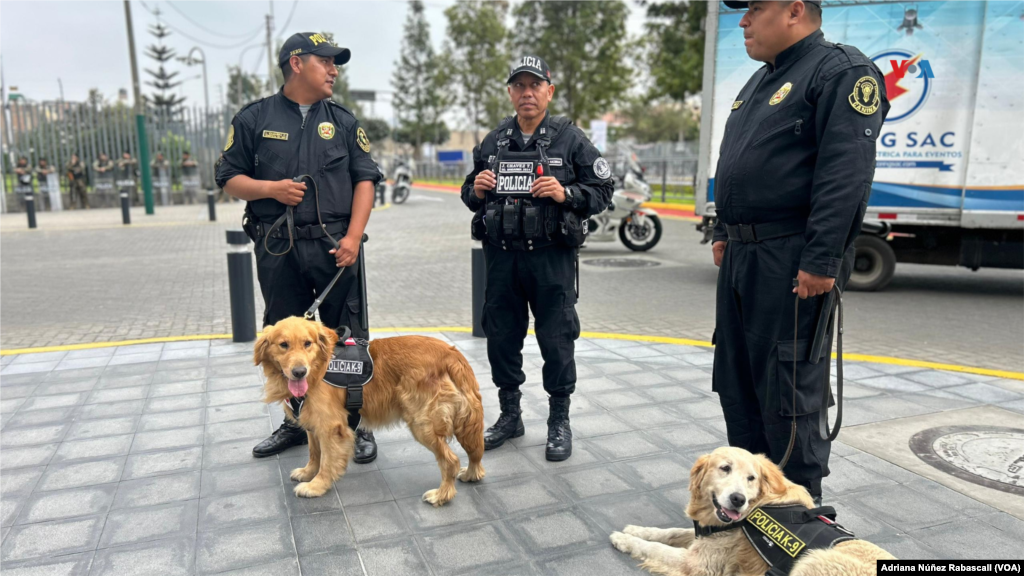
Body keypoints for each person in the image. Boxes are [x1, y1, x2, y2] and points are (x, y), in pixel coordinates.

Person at [710, 0, 889, 505]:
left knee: (787, 388)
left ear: (793, 10)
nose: (743, 21)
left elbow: (845, 172)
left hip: (790, 260)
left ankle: (799, 507)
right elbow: (739, 165)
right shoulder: (760, 82)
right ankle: (749, 501)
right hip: (745, 258)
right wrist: (725, 228)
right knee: (738, 379)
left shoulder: (840, 71)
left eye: (754, 8)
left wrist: (822, 258)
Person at [216, 32, 382, 461]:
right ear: (296, 63)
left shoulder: (343, 121)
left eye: (335, 63)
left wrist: (352, 238)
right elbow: (229, 178)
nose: (333, 70)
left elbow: (366, 180)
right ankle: (295, 424)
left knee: (348, 339)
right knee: (284, 342)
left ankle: (354, 424)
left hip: (336, 249)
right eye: (326, 61)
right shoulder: (254, 118)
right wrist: (270, 188)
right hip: (279, 250)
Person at [460, 55, 614, 461]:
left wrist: (567, 194)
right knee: (501, 338)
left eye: (535, 85)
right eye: (519, 86)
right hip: (502, 260)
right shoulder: (494, 142)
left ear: (549, 90)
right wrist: (476, 188)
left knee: (557, 340)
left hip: (550, 260)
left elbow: (603, 191)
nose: (527, 93)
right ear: (511, 92)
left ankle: (558, 421)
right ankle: (510, 416)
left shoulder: (571, 139)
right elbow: (468, 194)